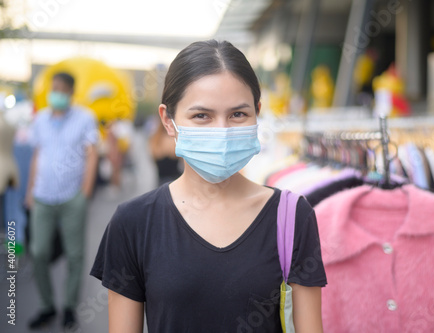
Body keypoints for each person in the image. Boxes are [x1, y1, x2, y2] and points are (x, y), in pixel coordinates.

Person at [90, 40, 327, 333]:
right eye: (202, 116)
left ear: (257, 113)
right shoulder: (133, 222)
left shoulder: (292, 217)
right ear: (168, 120)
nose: (222, 131)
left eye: (238, 114)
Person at [26, 72, 99, 330]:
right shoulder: (41, 119)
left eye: (61, 89)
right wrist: (29, 191)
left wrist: (85, 192)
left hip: (72, 197)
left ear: (70, 92)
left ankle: (69, 307)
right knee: (38, 251)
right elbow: (37, 154)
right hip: (42, 195)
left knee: (75, 254)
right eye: (53, 88)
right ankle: (47, 305)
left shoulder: (85, 118)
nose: (55, 93)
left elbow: (92, 154)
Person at [148, 120, 181, 185]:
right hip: (175, 179)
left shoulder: (155, 139)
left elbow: (153, 155)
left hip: (160, 180)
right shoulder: (173, 140)